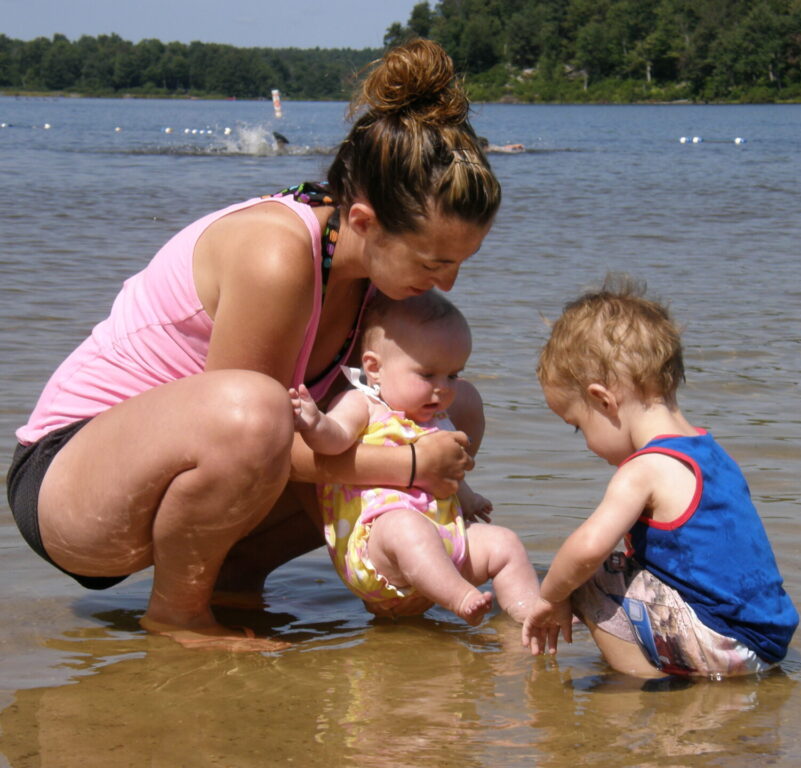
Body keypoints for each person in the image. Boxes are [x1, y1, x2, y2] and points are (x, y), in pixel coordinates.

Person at [5, 39, 501, 651]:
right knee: (256, 411)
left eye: (460, 263)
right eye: (434, 260)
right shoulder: (276, 255)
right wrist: (410, 466)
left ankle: (236, 584)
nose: (447, 282)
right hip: (71, 483)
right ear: (366, 221)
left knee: (451, 403)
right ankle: (177, 614)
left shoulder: (374, 277)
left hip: (182, 481)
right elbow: (256, 438)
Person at [522, 276, 799, 679]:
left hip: (716, 643)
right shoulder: (710, 452)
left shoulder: (644, 468)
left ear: (603, 400)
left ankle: (645, 684)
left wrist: (549, 598)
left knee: (585, 576)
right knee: (626, 568)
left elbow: (586, 549)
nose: (586, 444)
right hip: (766, 641)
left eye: (578, 426)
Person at [290, 291, 538, 625]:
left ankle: (530, 611)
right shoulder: (363, 404)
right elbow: (334, 443)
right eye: (427, 375)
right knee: (405, 527)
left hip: (441, 539)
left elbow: (447, 478)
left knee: (504, 544)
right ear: (374, 369)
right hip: (378, 549)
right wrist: (315, 423)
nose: (444, 388)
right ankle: (461, 596)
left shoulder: (438, 419)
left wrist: (469, 497)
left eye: (452, 375)